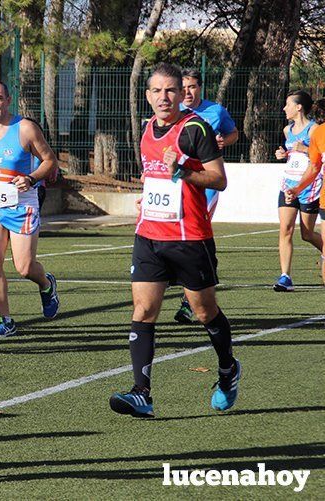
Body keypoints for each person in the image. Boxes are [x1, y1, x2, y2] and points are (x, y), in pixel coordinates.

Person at [109, 62, 241, 418]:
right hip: (149, 233)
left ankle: (228, 369)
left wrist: (183, 169)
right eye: (157, 91)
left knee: (203, 311)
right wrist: (148, 195)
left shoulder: (194, 127)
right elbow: (155, 177)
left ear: (182, 94)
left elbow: (218, 179)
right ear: (148, 95)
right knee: (143, 309)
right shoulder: (147, 128)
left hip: (189, 237)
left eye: (171, 90)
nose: (164, 97)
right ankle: (142, 393)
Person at [0, 80, 60, 338]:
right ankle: (6, 320)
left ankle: (46, 283)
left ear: (8, 100)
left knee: (24, 267)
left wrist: (30, 178)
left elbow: (49, 160)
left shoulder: (25, 128)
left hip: (22, 204)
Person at [173, 69, 240, 323]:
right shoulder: (173, 112)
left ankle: (189, 300)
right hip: (177, 183)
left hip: (206, 185)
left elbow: (232, 133)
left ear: (200, 88)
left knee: (193, 236)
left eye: (192, 87)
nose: (187, 92)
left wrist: (224, 141)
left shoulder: (215, 111)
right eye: (184, 87)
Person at [273, 91, 321, 292]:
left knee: (307, 234)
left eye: (288, 104)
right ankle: (285, 276)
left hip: (308, 186)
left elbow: (318, 158)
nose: (285, 108)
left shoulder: (314, 130)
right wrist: (283, 154)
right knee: (286, 229)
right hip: (288, 184)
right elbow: (293, 155)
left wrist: (305, 150)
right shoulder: (287, 130)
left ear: (298, 107)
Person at [284, 99, 325, 282]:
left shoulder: (314, 130)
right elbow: (315, 167)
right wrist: (297, 188)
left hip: (316, 195)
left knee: (307, 234)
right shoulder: (320, 133)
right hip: (321, 197)